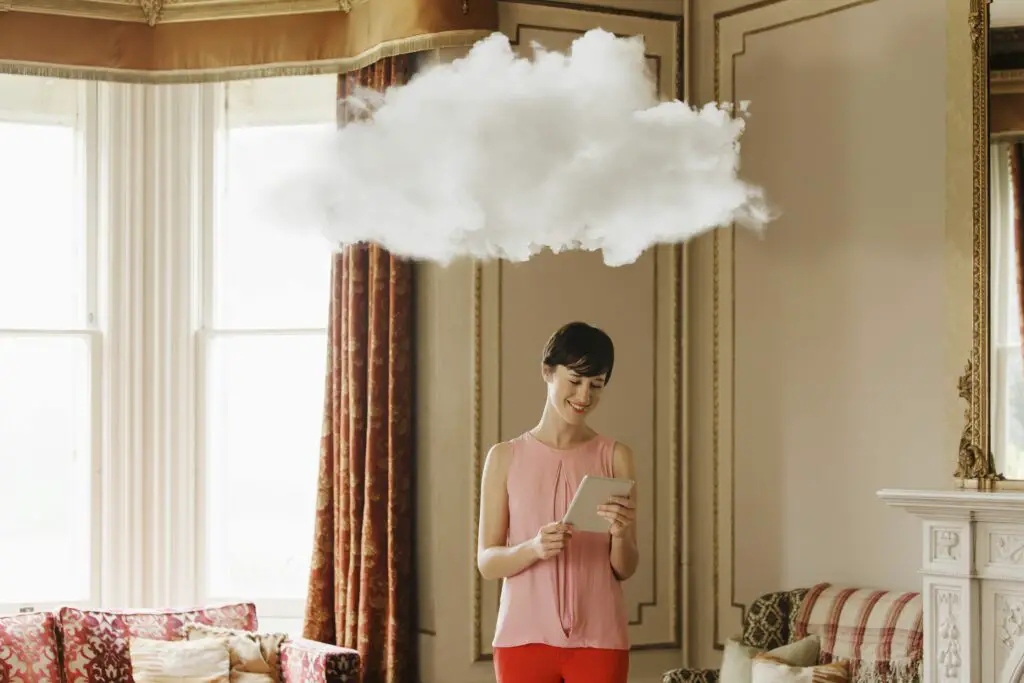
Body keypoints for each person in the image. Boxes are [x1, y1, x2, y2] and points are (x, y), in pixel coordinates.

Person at [476, 321, 638, 683]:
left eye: (596, 385)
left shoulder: (617, 457)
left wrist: (622, 534)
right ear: (547, 372)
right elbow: (487, 562)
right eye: (575, 380)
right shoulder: (504, 457)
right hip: (522, 640)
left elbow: (624, 568)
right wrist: (534, 547)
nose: (584, 396)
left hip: (601, 640)